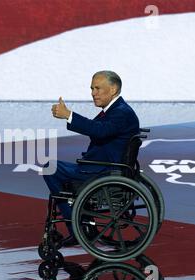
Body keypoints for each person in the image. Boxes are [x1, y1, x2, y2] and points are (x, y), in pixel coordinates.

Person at [43, 71, 140, 247]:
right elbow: (96, 127)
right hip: (102, 167)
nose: (93, 93)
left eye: (97, 88)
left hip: (103, 171)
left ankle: (76, 228)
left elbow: (98, 130)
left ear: (113, 89)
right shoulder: (115, 110)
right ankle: (81, 223)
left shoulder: (121, 113)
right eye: (91, 88)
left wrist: (69, 115)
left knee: (50, 168)